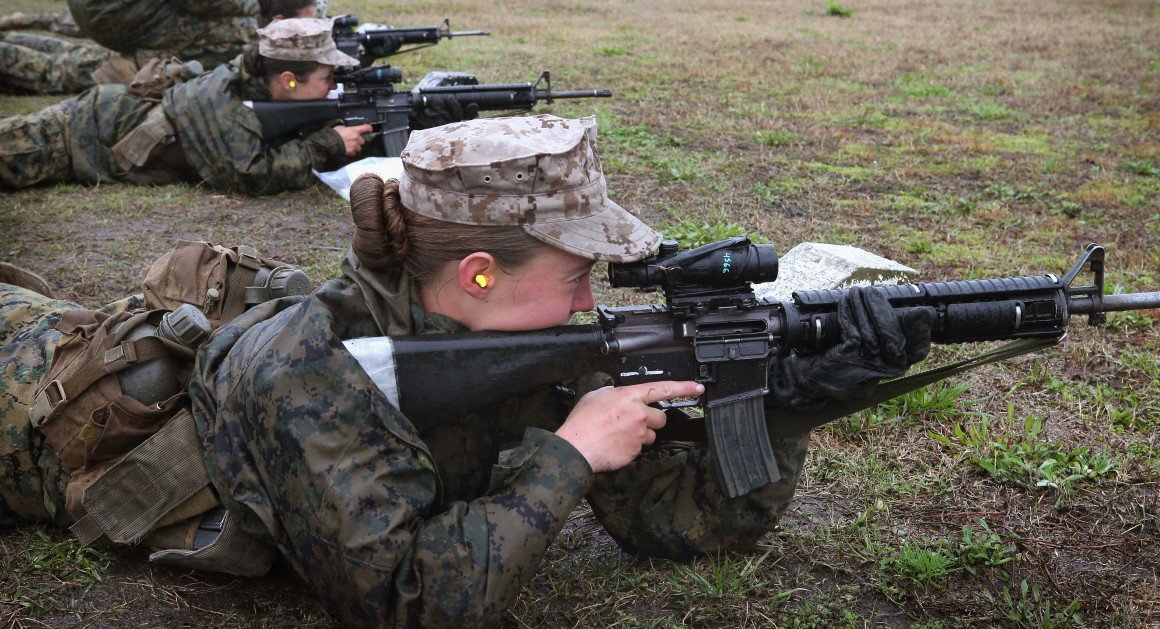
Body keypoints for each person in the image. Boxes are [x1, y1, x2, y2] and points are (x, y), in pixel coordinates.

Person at [1, 115, 933, 625]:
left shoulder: (526, 343)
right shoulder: (311, 375)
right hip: (32, 395)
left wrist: (784, 408)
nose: (588, 303)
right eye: (575, 277)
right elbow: (405, 599)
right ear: (479, 275)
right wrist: (569, 454)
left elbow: (677, 527)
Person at [0, 18, 379, 194]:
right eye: (327, 79)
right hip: (71, 137)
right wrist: (327, 143)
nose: (333, 86)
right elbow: (250, 174)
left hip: (96, 120)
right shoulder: (224, 104)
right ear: (288, 81)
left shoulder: (251, 81)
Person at [0, 0, 316, 96]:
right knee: (56, 71)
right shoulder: (244, 29)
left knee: (70, 57)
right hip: (138, 64)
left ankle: (10, 41)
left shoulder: (243, 23)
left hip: (140, 50)